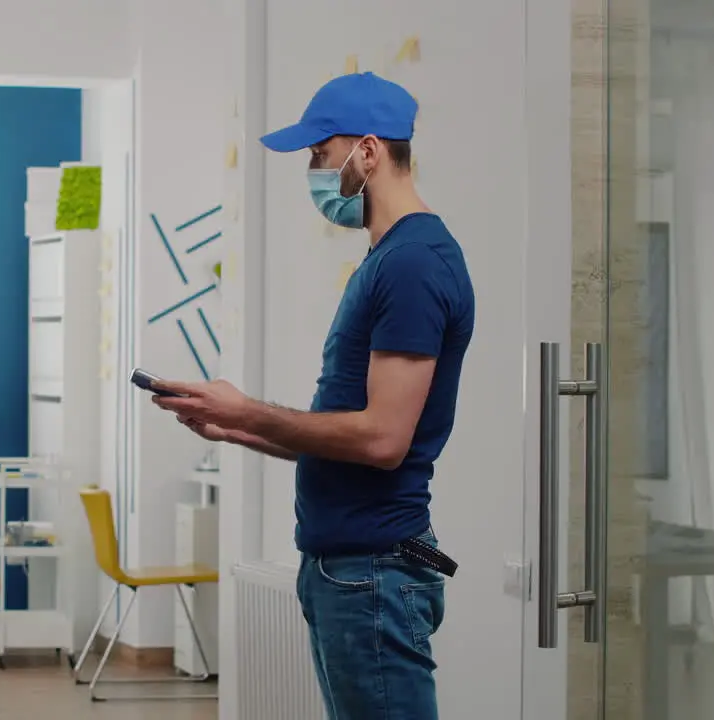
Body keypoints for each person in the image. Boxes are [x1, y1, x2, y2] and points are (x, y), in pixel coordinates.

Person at [151, 72, 474, 720]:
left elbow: (383, 440)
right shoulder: (389, 260)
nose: (314, 173)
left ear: (370, 151)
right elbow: (349, 432)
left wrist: (247, 409)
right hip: (350, 568)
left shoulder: (413, 264)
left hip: (372, 572)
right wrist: (240, 429)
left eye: (319, 155)